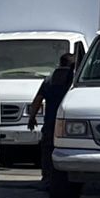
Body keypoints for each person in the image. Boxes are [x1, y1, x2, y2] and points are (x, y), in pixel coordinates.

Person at [27, 49, 79, 182]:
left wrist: (32, 118)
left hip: (50, 122)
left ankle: (46, 178)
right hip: (69, 123)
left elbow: (37, 100)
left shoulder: (49, 79)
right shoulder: (75, 80)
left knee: (47, 151)